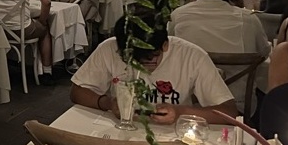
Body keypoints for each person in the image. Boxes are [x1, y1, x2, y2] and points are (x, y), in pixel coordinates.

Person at [70, 16, 238, 125]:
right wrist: (108, 103)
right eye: (132, 60)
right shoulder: (109, 48)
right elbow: (77, 92)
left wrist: (180, 112)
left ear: (165, 45)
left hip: (172, 138)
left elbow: (228, 111)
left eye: (149, 60)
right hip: (120, 131)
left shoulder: (191, 56)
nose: (140, 67)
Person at [170, 0, 270, 112]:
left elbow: (170, 50)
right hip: (238, 104)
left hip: (188, 104)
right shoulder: (248, 19)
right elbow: (264, 53)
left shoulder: (178, 16)